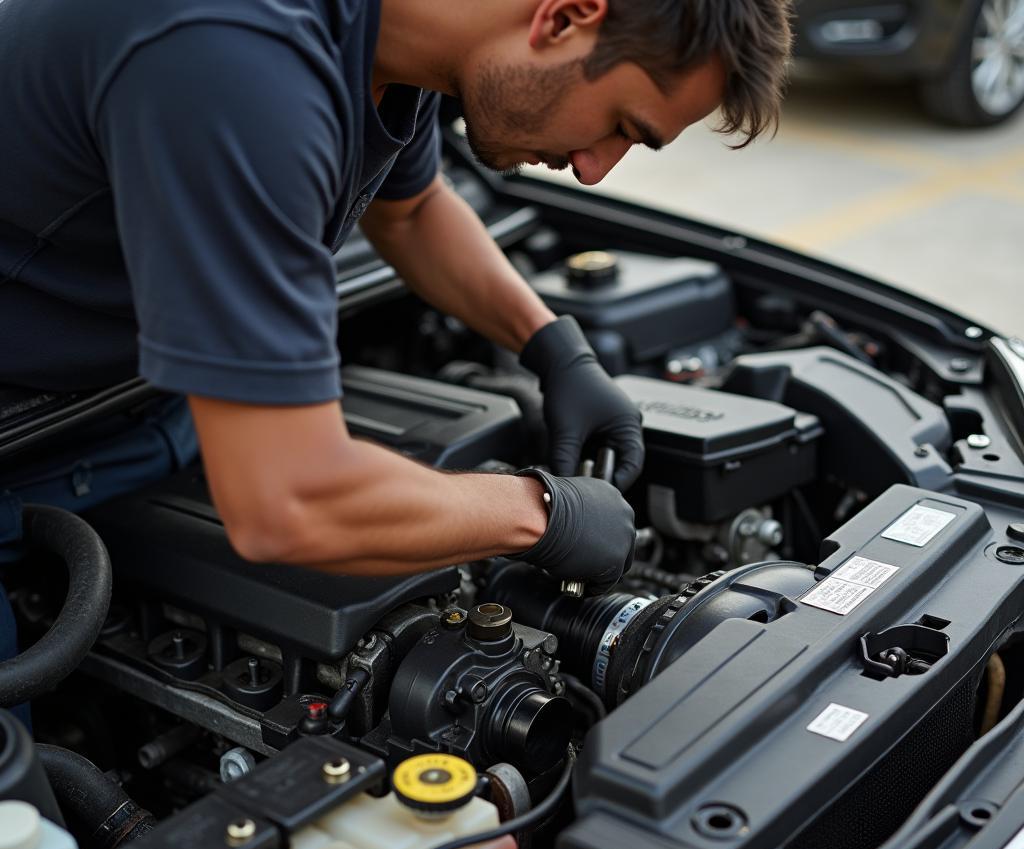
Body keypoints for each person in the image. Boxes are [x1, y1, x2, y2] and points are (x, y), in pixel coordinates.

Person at [0, 0, 792, 598]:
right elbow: (288, 503)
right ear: (566, 16)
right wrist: (542, 513)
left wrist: (555, 348)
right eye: (622, 125)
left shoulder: (399, 41)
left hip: (139, 405)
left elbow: (408, 209)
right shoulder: (235, 61)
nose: (595, 170)